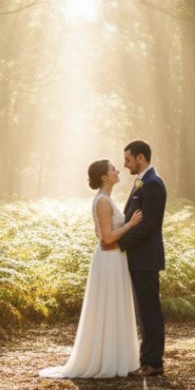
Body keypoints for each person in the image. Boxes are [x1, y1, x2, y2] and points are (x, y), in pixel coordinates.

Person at [39, 159, 143, 378]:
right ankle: (107, 359)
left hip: (115, 257)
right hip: (109, 259)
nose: (117, 171)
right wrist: (130, 224)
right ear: (104, 177)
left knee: (114, 304)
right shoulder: (103, 202)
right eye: (113, 169)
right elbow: (107, 237)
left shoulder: (106, 200)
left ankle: (117, 357)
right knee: (109, 304)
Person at [109, 140, 166, 377]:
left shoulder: (153, 184)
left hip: (146, 258)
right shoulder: (143, 181)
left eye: (128, 159)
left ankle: (153, 362)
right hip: (139, 257)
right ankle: (146, 360)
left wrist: (120, 243)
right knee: (144, 311)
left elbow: (149, 225)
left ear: (140, 158)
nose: (125, 164)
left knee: (149, 310)